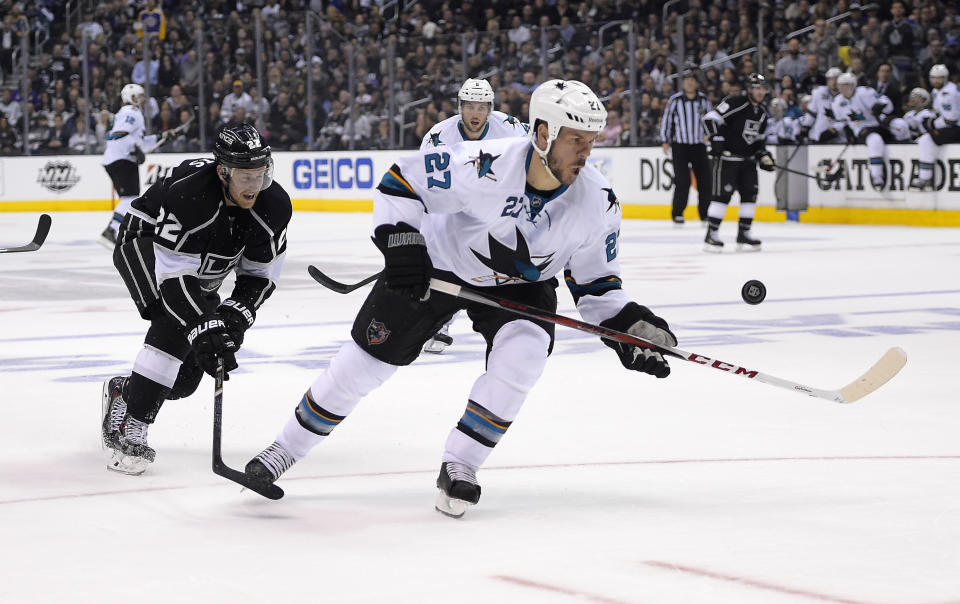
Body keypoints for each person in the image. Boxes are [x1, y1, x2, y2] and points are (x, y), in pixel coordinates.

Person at [243, 80, 677, 518]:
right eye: (576, 140)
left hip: (522, 285)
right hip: (439, 264)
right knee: (365, 363)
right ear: (543, 134)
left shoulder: (598, 202)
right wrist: (403, 244)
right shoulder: (484, 164)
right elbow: (401, 183)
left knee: (524, 356)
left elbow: (596, 285)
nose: (586, 152)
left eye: (592, 141)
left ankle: (462, 465)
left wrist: (628, 326)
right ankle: (285, 449)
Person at [101, 124, 291, 475]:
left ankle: (126, 393)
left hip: (202, 264)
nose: (254, 185)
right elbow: (174, 281)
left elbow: (259, 277)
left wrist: (234, 317)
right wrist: (202, 325)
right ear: (223, 172)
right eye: (245, 176)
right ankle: (133, 426)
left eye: (260, 174)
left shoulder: (274, 207)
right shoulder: (192, 196)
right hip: (144, 243)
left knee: (186, 380)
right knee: (175, 324)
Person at [420, 77, 529, 354]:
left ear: (490, 109)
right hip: (454, 207)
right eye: (470, 106)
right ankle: (440, 320)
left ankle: (509, 322)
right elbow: (429, 189)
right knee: (444, 260)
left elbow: (535, 161)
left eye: (481, 107)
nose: (475, 114)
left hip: (499, 205)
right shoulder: (438, 138)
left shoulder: (511, 129)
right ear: (460, 107)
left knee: (495, 265)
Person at [98, 83, 177, 248]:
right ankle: (110, 231)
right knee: (130, 198)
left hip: (118, 159)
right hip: (122, 160)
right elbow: (119, 136)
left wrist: (161, 138)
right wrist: (134, 150)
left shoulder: (128, 112)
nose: (141, 99)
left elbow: (138, 142)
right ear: (130, 98)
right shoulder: (131, 112)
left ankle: (114, 230)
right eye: (138, 96)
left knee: (129, 198)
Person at [702, 73, 773, 252]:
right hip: (727, 159)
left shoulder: (763, 113)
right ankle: (712, 234)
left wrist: (763, 155)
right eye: (757, 88)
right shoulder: (736, 102)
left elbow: (758, 140)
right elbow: (710, 118)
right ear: (749, 89)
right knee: (722, 197)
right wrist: (716, 138)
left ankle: (744, 233)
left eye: (762, 88)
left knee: (750, 195)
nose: (760, 92)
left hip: (748, 161)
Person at [831, 72, 910, 190]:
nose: (843, 88)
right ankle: (877, 176)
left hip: (879, 123)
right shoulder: (837, 102)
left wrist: (881, 106)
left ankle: (907, 153)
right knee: (875, 140)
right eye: (841, 85)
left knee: (901, 126)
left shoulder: (865, 92)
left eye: (846, 85)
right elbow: (840, 122)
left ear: (853, 85)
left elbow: (887, 103)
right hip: (862, 129)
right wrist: (848, 132)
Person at [660, 69, 712, 225]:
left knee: (705, 181)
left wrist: (709, 136)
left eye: (692, 80)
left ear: (696, 83)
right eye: (686, 79)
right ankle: (677, 213)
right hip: (680, 146)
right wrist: (665, 140)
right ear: (683, 83)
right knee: (682, 181)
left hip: (699, 145)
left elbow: (710, 120)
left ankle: (705, 213)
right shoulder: (675, 100)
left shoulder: (704, 100)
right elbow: (667, 121)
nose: (689, 82)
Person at [914, 65, 960, 190]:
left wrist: (933, 123)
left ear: (945, 78)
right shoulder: (936, 91)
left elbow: (952, 120)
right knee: (923, 138)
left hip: (956, 128)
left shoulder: (949, 93)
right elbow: (939, 112)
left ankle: (925, 178)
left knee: (925, 140)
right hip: (951, 127)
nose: (936, 81)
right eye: (934, 78)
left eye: (939, 78)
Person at [799, 67, 845, 144]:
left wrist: (835, 130)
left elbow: (847, 119)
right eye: (831, 79)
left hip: (839, 138)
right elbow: (812, 113)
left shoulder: (846, 96)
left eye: (836, 79)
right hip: (818, 136)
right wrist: (805, 127)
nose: (834, 82)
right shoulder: (819, 92)